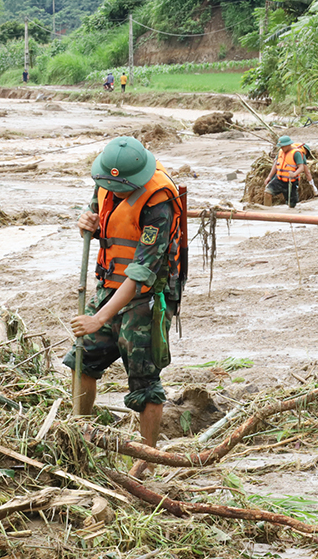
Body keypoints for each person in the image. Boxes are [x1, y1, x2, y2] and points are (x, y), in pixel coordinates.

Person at [66, 136, 184, 478]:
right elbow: (97, 218)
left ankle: (147, 457)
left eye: (121, 189)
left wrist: (99, 317)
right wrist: (86, 224)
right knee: (82, 361)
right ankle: (81, 436)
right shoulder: (105, 183)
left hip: (146, 298)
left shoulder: (159, 203)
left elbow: (141, 272)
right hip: (108, 285)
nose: (113, 191)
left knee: (144, 382)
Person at [263, 136, 309, 207]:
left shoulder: (296, 153)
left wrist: (294, 174)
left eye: (283, 146)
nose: (281, 148)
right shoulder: (280, 152)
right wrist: (269, 177)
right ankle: (267, 213)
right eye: (280, 146)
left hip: (291, 182)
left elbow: (301, 167)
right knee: (267, 193)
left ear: (288, 145)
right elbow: (275, 165)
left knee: (291, 204)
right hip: (279, 180)